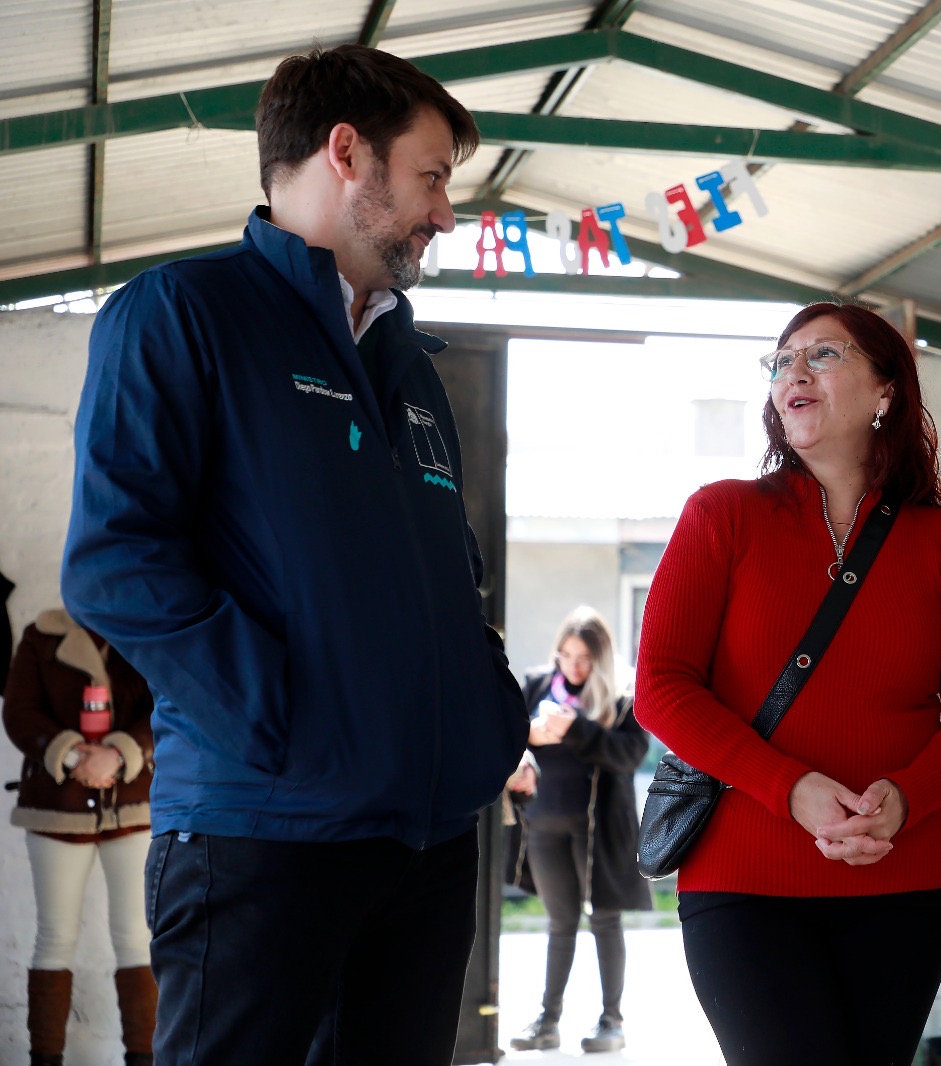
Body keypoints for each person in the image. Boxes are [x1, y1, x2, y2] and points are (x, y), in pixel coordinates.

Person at [60, 44, 528, 1065]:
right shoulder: (183, 314)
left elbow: (455, 578)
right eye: (434, 176)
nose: (446, 213)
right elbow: (115, 562)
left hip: (430, 837)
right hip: (264, 831)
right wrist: (280, 721)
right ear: (347, 153)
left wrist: (484, 718)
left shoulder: (409, 358)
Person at [634, 302, 941, 1066]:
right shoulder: (722, 515)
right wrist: (791, 786)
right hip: (744, 878)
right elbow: (662, 686)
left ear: (885, 392)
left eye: (823, 355)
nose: (793, 374)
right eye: (781, 362)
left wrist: (903, 801)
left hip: (905, 877)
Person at [5, 608, 157, 1066]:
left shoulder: (144, 625)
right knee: (55, 935)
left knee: (135, 936)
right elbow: (19, 712)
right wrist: (73, 756)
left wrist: (118, 754)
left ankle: (143, 1058)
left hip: (131, 803)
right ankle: (46, 1059)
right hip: (57, 809)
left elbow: (167, 704)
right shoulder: (41, 635)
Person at [504, 607, 651, 1054]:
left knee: (605, 919)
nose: (573, 666)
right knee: (559, 922)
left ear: (601, 658)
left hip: (599, 829)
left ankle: (612, 1022)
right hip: (543, 824)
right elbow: (507, 742)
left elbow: (630, 755)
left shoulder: (622, 698)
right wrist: (526, 746)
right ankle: (547, 1021)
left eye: (584, 657)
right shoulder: (534, 686)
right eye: (566, 655)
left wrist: (579, 729)